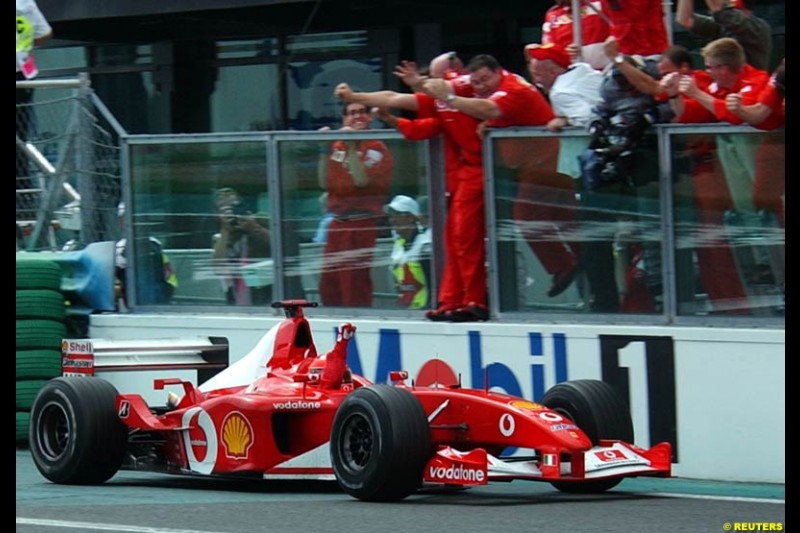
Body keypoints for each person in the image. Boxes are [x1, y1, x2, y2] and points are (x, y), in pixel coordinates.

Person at [421, 54, 580, 301]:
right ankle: (581, 267)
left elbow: (490, 108)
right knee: (566, 221)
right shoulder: (475, 82)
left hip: (544, 163)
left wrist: (449, 97)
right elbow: (429, 94)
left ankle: (564, 265)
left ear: (498, 72)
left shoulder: (513, 88)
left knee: (527, 215)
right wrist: (419, 83)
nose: (481, 86)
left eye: (486, 79)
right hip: (536, 164)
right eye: (477, 81)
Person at [317, 101, 394, 307]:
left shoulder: (377, 147)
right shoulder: (338, 145)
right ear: (344, 120)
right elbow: (324, 183)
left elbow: (361, 181)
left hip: (361, 224)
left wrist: (351, 146)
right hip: (337, 224)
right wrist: (323, 149)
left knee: (354, 284)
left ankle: (354, 329)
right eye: (352, 113)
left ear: (370, 118)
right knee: (328, 284)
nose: (357, 116)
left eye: (362, 112)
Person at [211, 187, 272, 306]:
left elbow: (281, 244)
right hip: (236, 295)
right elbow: (217, 268)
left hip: (266, 291)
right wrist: (225, 230)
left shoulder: (261, 220)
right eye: (226, 211)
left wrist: (254, 227)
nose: (233, 214)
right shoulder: (220, 237)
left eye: (234, 207)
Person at [676, 0, 772, 71]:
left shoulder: (757, 27)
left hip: (750, 90)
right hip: (724, 90)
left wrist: (721, 8)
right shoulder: (722, 26)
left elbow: (719, 9)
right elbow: (685, 19)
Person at [115, 202, 178, 309]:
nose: (131, 222)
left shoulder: (155, 246)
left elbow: (171, 280)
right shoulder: (117, 251)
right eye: (125, 218)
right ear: (120, 221)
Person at [16, 0, 52, 185]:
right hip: (23, 74)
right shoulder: (25, 4)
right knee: (21, 137)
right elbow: (44, 33)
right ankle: (23, 190)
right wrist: (24, 42)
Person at [384, 195, 432, 310]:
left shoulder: (425, 246)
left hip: (424, 312)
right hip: (405, 311)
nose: (393, 220)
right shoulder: (398, 246)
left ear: (411, 218)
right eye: (391, 216)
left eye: (398, 215)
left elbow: (434, 285)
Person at [542, 0, 610, 70]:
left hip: (609, 72)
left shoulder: (601, 3)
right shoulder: (553, 15)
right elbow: (549, 51)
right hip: (574, 76)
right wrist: (564, 53)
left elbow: (619, 27)